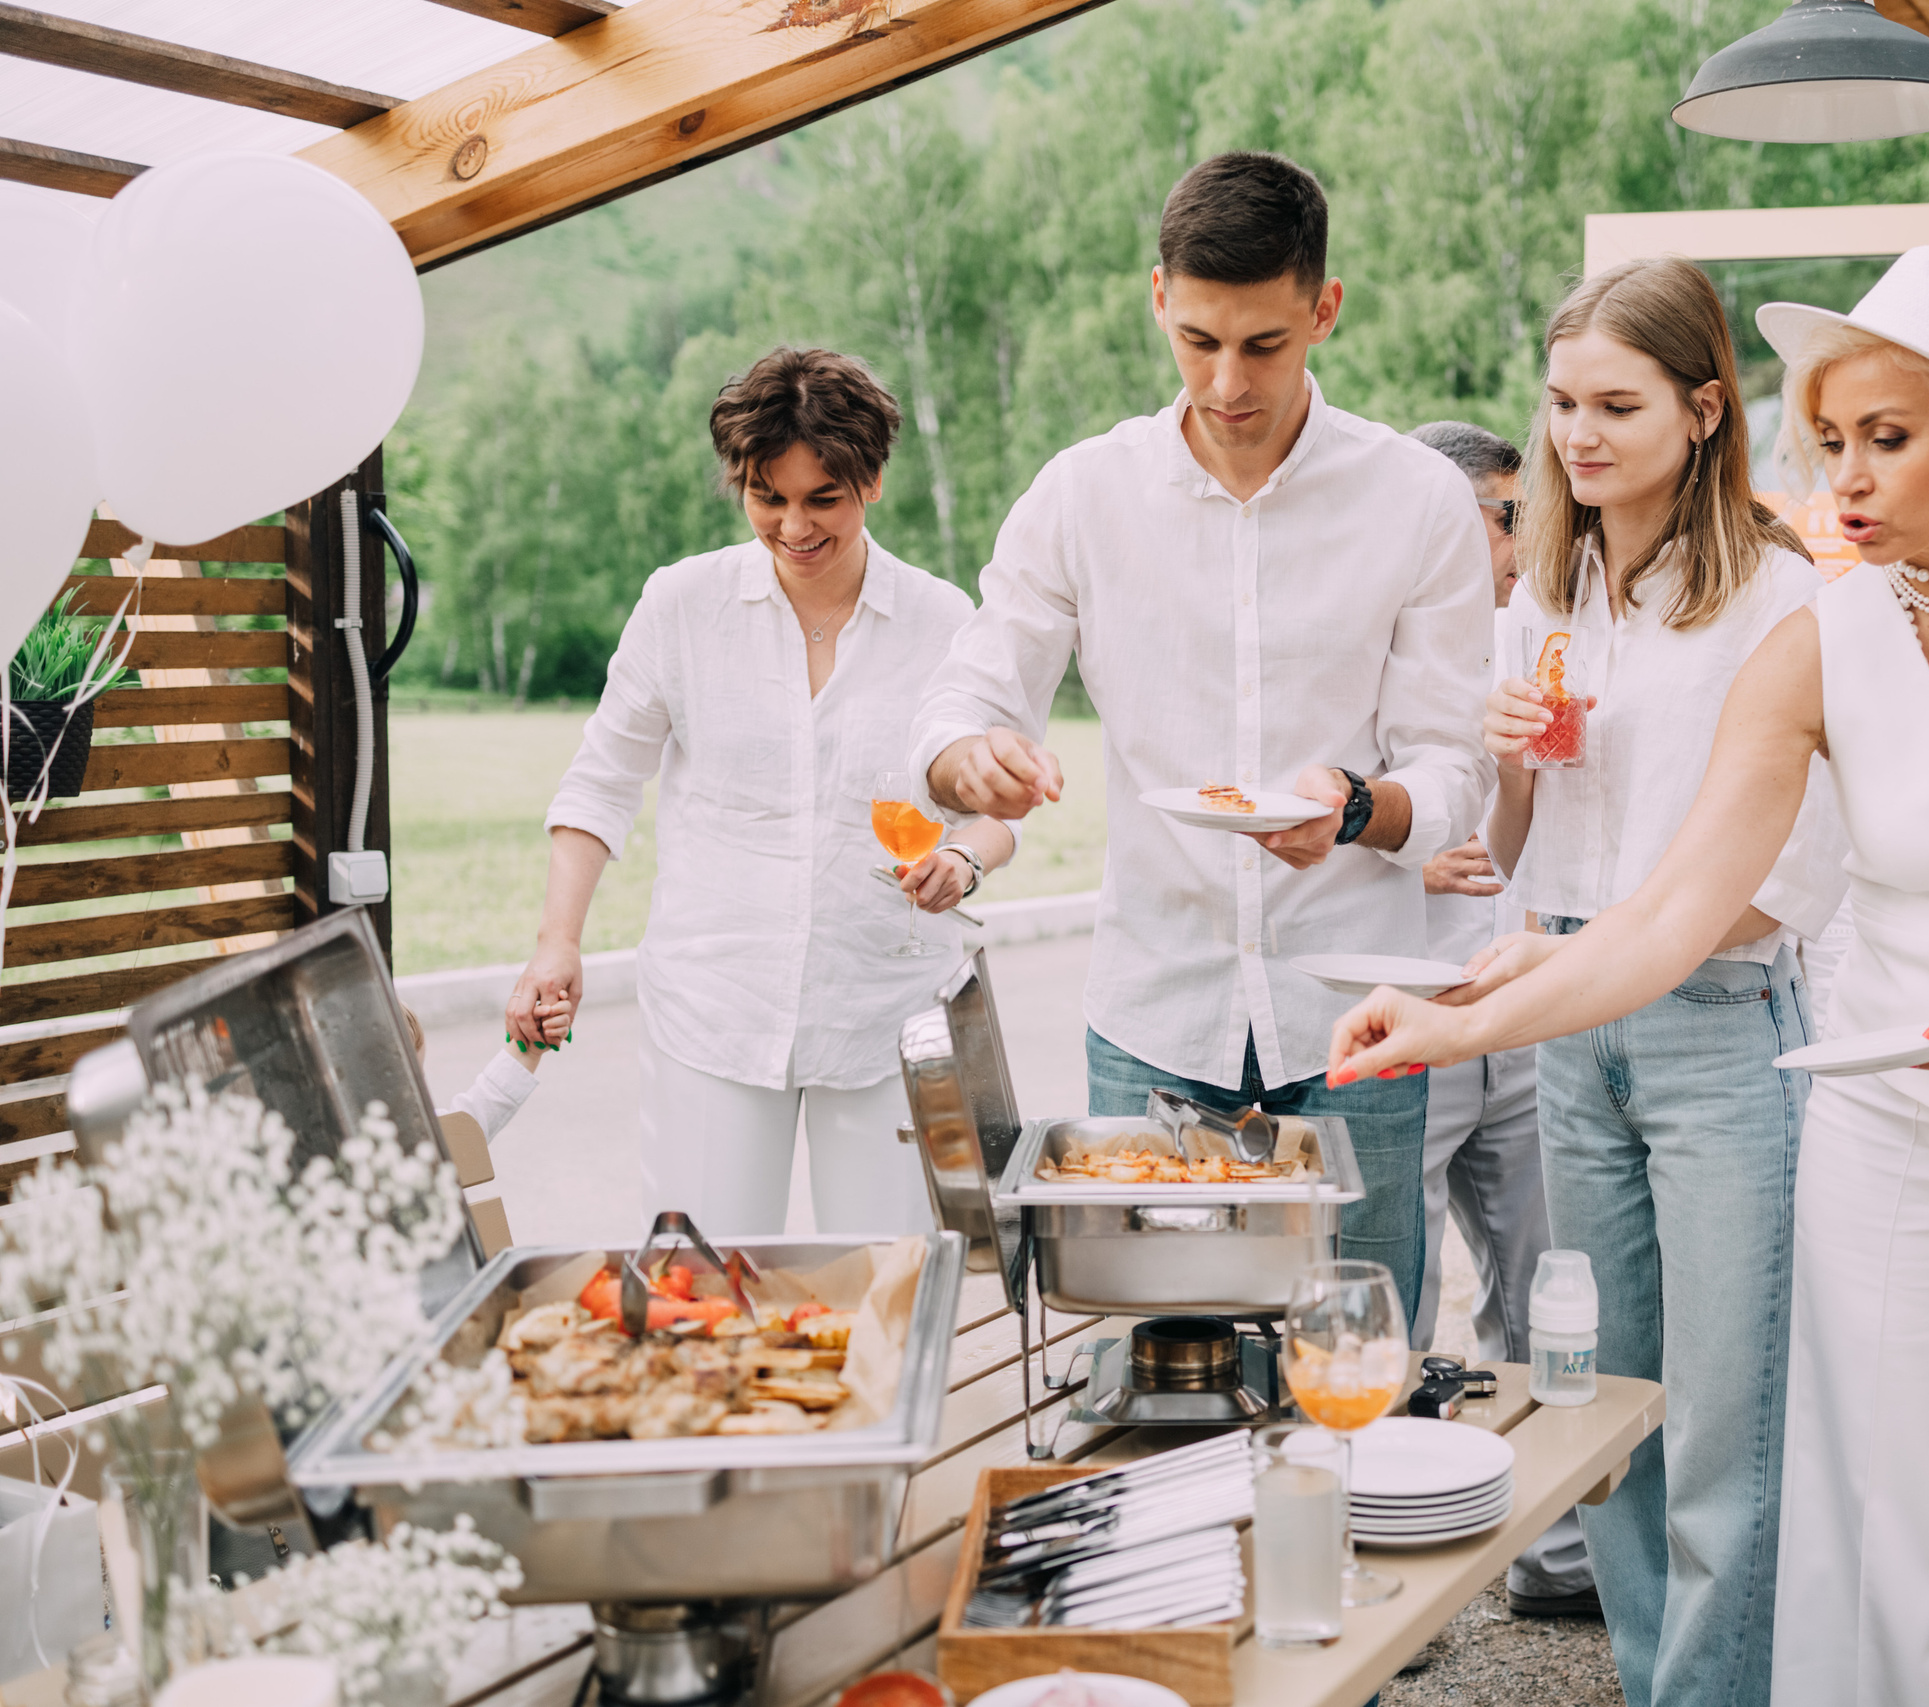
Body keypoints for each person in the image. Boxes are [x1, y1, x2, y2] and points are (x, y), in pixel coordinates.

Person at [1328, 245, 1929, 1705]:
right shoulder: (1818, 645)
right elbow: (1664, 916)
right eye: (1829, 439)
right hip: (1891, 1108)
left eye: (1887, 437)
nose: (1844, 477)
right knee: (1878, 1513)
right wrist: (1452, 1018)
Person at [910, 152, 1491, 1315]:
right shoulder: (1083, 494)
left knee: (1358, 1356)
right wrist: (967, 758)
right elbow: (963, 697)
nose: (1227, 382)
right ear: (1157, 298)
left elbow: (1454, 771)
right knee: (1153, 1350)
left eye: (1263, 344)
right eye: (1197, 339)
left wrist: (1356, 810)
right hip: (1154, 1009)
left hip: (1356, 1018)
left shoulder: (1417, 499)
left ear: (1324, 309)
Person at [1458, 259, 1845, 1704]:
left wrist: (1585, 954)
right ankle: (1653, 1679)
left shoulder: (1779, 600)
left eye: (1616, 405)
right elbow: (1508, 850)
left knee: (1728, 1428)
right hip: (1572, 1036)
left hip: (1718, 1025)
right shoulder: (1545, 590)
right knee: (1605, 1410)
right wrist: (1505, 760)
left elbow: (1785, 873)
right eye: (1562, 402)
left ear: (1704, 409)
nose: (1579, 434)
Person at [510, 346, 1014, 1236]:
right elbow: (600, 782)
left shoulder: (942, 620)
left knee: (885, 1288)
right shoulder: (681, 605)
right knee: (703, 1282)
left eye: (824, 498)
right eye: (766, 496)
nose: (793, 526)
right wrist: (558, 942)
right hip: (715, 1009)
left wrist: (964, 861)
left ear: (873, 481)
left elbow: (993, 813)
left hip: (885, 1014)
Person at [1404, 418, 1595, 1620]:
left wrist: (1518, 786)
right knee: (1395, 1297)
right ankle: (1394, 1577)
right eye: (1506, 516)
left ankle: (1558, 1556)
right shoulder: (1371, 642)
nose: (1526, 539)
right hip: (1406, 1015)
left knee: (1542, 1285)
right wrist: (1399, 851)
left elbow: (1521, 836)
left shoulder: (1540, 636)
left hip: (1521, 1006)